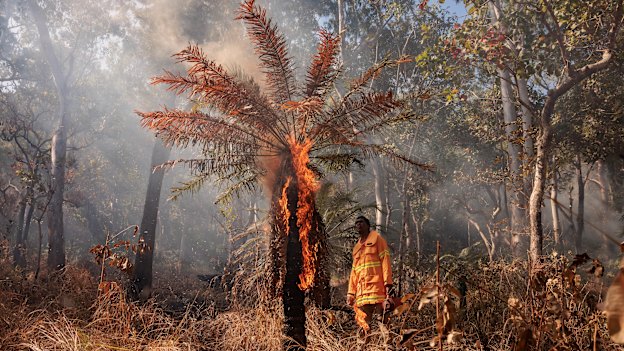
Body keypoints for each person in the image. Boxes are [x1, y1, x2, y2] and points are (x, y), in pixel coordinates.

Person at [346, 215, 394, 332]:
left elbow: (385, 262)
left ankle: (387, 347)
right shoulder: (357, 248)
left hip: (378, 292)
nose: (358, 224)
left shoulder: (378, 240)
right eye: (356, 223)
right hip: (362, 295)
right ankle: (362, 347)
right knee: (363, 326)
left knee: (383, 323)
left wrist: (388, 285)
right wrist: (351, 293)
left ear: (368, 226)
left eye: (361, 222)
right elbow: (354, 273)